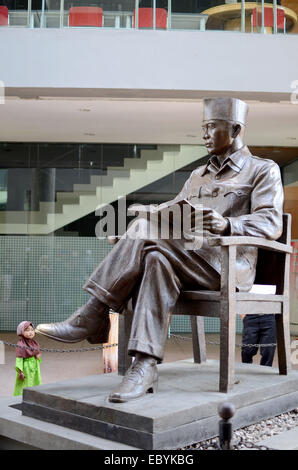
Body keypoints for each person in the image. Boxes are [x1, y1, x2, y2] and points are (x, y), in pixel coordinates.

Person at [36, 97, 284, 402]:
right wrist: (158, 213)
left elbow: (271, 222)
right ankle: (144, 365)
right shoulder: (197, 176)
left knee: (144, 233)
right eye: (203, 127)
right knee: (155, 256)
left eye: (211, 127)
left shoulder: (263, 170)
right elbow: (177, 214)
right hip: (185, 258)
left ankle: (93, 313)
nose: (204, 134)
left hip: (227, 265)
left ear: (234, 128)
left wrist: (227, 225)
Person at [14, 321, 42, 396]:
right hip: (26, 367)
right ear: (21, 332)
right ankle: (25, 396)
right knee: (26, 383)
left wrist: (38, 355)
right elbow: (19, 359)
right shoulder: (21, 344)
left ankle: (35, 395)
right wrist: (20, 371)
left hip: (35, 366)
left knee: (35, 380)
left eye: (32, 330)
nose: (30, 332)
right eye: (27, 330)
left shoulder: (34, 342)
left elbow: (37, 352)